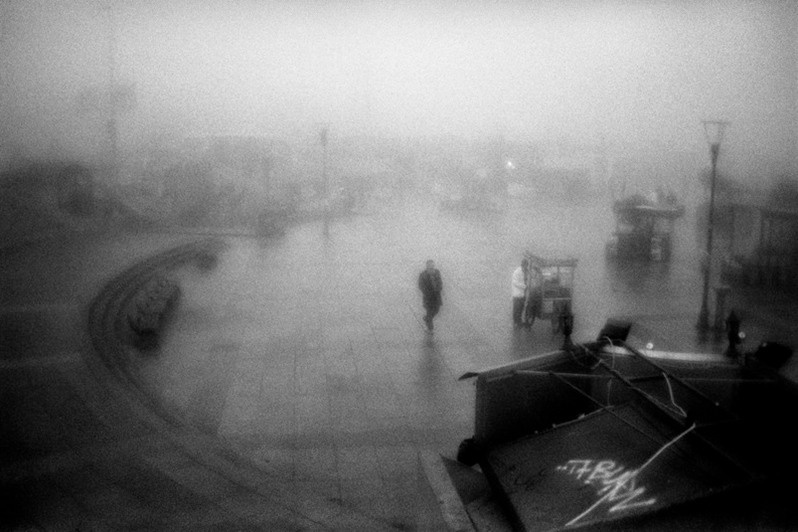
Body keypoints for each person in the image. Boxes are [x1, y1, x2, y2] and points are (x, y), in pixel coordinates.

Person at [418, 259, 443, 332]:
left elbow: (440, 281)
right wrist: (426, 292)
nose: (432, 268)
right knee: (429, 311)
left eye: (433, 266)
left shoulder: (437, 272)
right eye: (430, 267)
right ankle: (430, 328)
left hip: (436, 296)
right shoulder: (423, 275)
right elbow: (420, 285)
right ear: (427, 267)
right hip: (428, 298)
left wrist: (439, 288)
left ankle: (427, 318)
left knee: (436, 310)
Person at [512, 258, 528, 328]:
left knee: (521, 309)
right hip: (517, 295)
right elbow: (515, 282)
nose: (526, 267)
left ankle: (519, 322)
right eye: (525, 265)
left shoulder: (525, 271)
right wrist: (524, 286)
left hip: (522, 294)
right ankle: (516, 322)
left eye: (526, 265)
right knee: (516, 309)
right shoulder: (517, 272)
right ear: (522, 265)